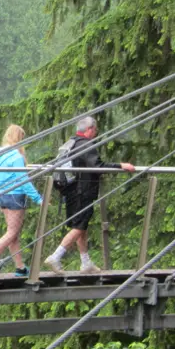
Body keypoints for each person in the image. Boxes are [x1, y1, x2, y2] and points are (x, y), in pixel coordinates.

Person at [44, 116, 135, 274]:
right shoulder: (86, 145)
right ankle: (55, 256)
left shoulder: (71, 144)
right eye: (95, 130)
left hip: (70, 191)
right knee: (79, 227)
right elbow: (97, 166)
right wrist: (121, 165)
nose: (96, 133)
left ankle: (85, 262)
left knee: (81, 226)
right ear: (90, 129)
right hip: (83, 192)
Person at [0, 124, 42, 277]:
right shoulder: (16, 157)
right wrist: (38, 199)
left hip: (3, 195)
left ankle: (20, 267)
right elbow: (24, 181)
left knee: (12, 233)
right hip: (15, 196)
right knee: (12, 232)